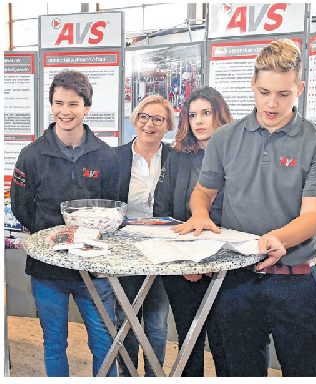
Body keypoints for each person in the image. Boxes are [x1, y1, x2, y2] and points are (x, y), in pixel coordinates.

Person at [173, 39, 316, 376]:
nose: (272, 103)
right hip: (237, 282)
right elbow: (203, 192)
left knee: (304, 372)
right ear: (253, 85)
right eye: (264, 92)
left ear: (300, 89)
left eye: (283, 94)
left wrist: (275, 238)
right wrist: (201, 214)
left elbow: (312, 216)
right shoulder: (225, 138)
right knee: (239, 371)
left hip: (296, 282)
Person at [10, 70, 119, 377]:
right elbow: (21, 207)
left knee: (105, 343)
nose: (65, 111)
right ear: (51, 105)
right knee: (54, 343)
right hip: (48, 271)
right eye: (59, 103)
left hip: (95, 270)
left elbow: (113, 208)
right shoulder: (31, 156)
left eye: (73, 103)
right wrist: (51, 237)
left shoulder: (105, 157)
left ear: (86, 106)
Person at [153, 86, 233, 377]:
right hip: (182, 268)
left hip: (226, 269)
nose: (199, 121)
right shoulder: (177, 157)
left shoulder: (237, 155)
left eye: (206, 113)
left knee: (226, 346)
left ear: (219, 115)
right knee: (189, 343)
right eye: (193, 114)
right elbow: (162, 211)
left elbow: (236, 217)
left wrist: (210, 261)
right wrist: (187, 262)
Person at [114, 95, 174, 377]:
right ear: (135, 120)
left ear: (168, 126)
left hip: (165, 251)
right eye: (144, 117)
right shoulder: (116, 158)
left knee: (157, 323)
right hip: (125, 251)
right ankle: (127, 377)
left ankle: (154, 377)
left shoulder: (176, 159)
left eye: (158, 119)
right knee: (125, 321)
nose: (149, 124)